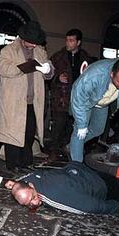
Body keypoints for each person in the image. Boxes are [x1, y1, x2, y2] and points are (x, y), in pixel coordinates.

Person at [0, 21, 54, 174]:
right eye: (31, 42)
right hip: (14, 102)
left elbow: (49, 71)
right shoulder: (8, 50)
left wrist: (48, 70)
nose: (34, 45)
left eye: (36, 42)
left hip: (33, 101)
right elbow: (4, 69)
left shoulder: (40, 51)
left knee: (29, 133)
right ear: (23, 38)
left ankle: (26, 162)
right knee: (13, 133)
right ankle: (12, 164)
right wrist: (26, 66)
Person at [5, 161, 119, 214]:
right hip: (80, 170)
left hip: (100, 187)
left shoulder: (53, 195)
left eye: (33, 197)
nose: (34, 202)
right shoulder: (30, 180)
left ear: (31, 186)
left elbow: (89, 207)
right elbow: (23, 181)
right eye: (27, 203)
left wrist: (116, 207)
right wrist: (14, 184)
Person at [48, 29, 91, 160]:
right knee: (58, 126)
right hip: (61, 98)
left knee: (71, 127)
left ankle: (67, 150)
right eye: (67, 40)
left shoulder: (85, 58)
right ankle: (53, 152)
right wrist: (57, 78)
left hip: (78, 100)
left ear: (78, 42)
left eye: (71, 40)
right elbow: (47, 75)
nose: (68, 42)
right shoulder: (58, 56)